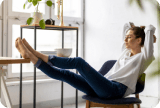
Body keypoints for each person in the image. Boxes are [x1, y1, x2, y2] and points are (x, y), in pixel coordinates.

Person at [15, 22, 156, 99]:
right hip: (104, 85)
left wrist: (148, 33)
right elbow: (126, 25)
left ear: (139, 40)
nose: (125, 39)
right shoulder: (124, 53)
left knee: (79, 62)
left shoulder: (144, 58)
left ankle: (37, 53)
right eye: (125, 37)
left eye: (129, 37)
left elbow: (150, 28)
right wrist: (133, 28)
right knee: (66, 74)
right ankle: (34, 58)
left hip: (114, 90)